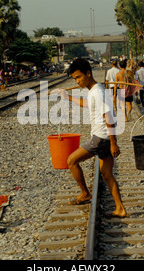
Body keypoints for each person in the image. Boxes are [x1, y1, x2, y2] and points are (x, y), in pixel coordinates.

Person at [54, 58, 127, 218]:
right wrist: (68, 98)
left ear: (88, 73)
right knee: (107, 174)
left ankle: (85, 193)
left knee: (71, 161)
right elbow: (88, 104)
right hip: (105, 138)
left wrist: (114, 144)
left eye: (79, 77)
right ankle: (120, 208)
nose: (77, 81)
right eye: (75, 79)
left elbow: (109, 116)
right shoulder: (95, 90)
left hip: (101, 138)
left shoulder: (98, 92)